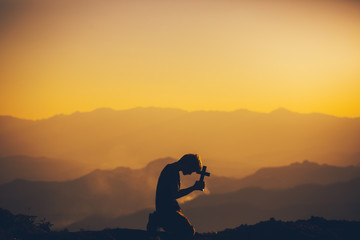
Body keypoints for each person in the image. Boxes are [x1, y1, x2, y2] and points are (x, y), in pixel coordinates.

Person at [147, 154, 205, 240]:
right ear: (187, 164)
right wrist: (194, 188)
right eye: (191, 170)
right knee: (188, 232)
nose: (190, 173)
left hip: (166, 210)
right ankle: (158, 223)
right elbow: (175, 194)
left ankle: (157, 222)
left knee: (184, 232)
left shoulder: (171, 170)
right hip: (168, 212)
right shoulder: (172, 172)